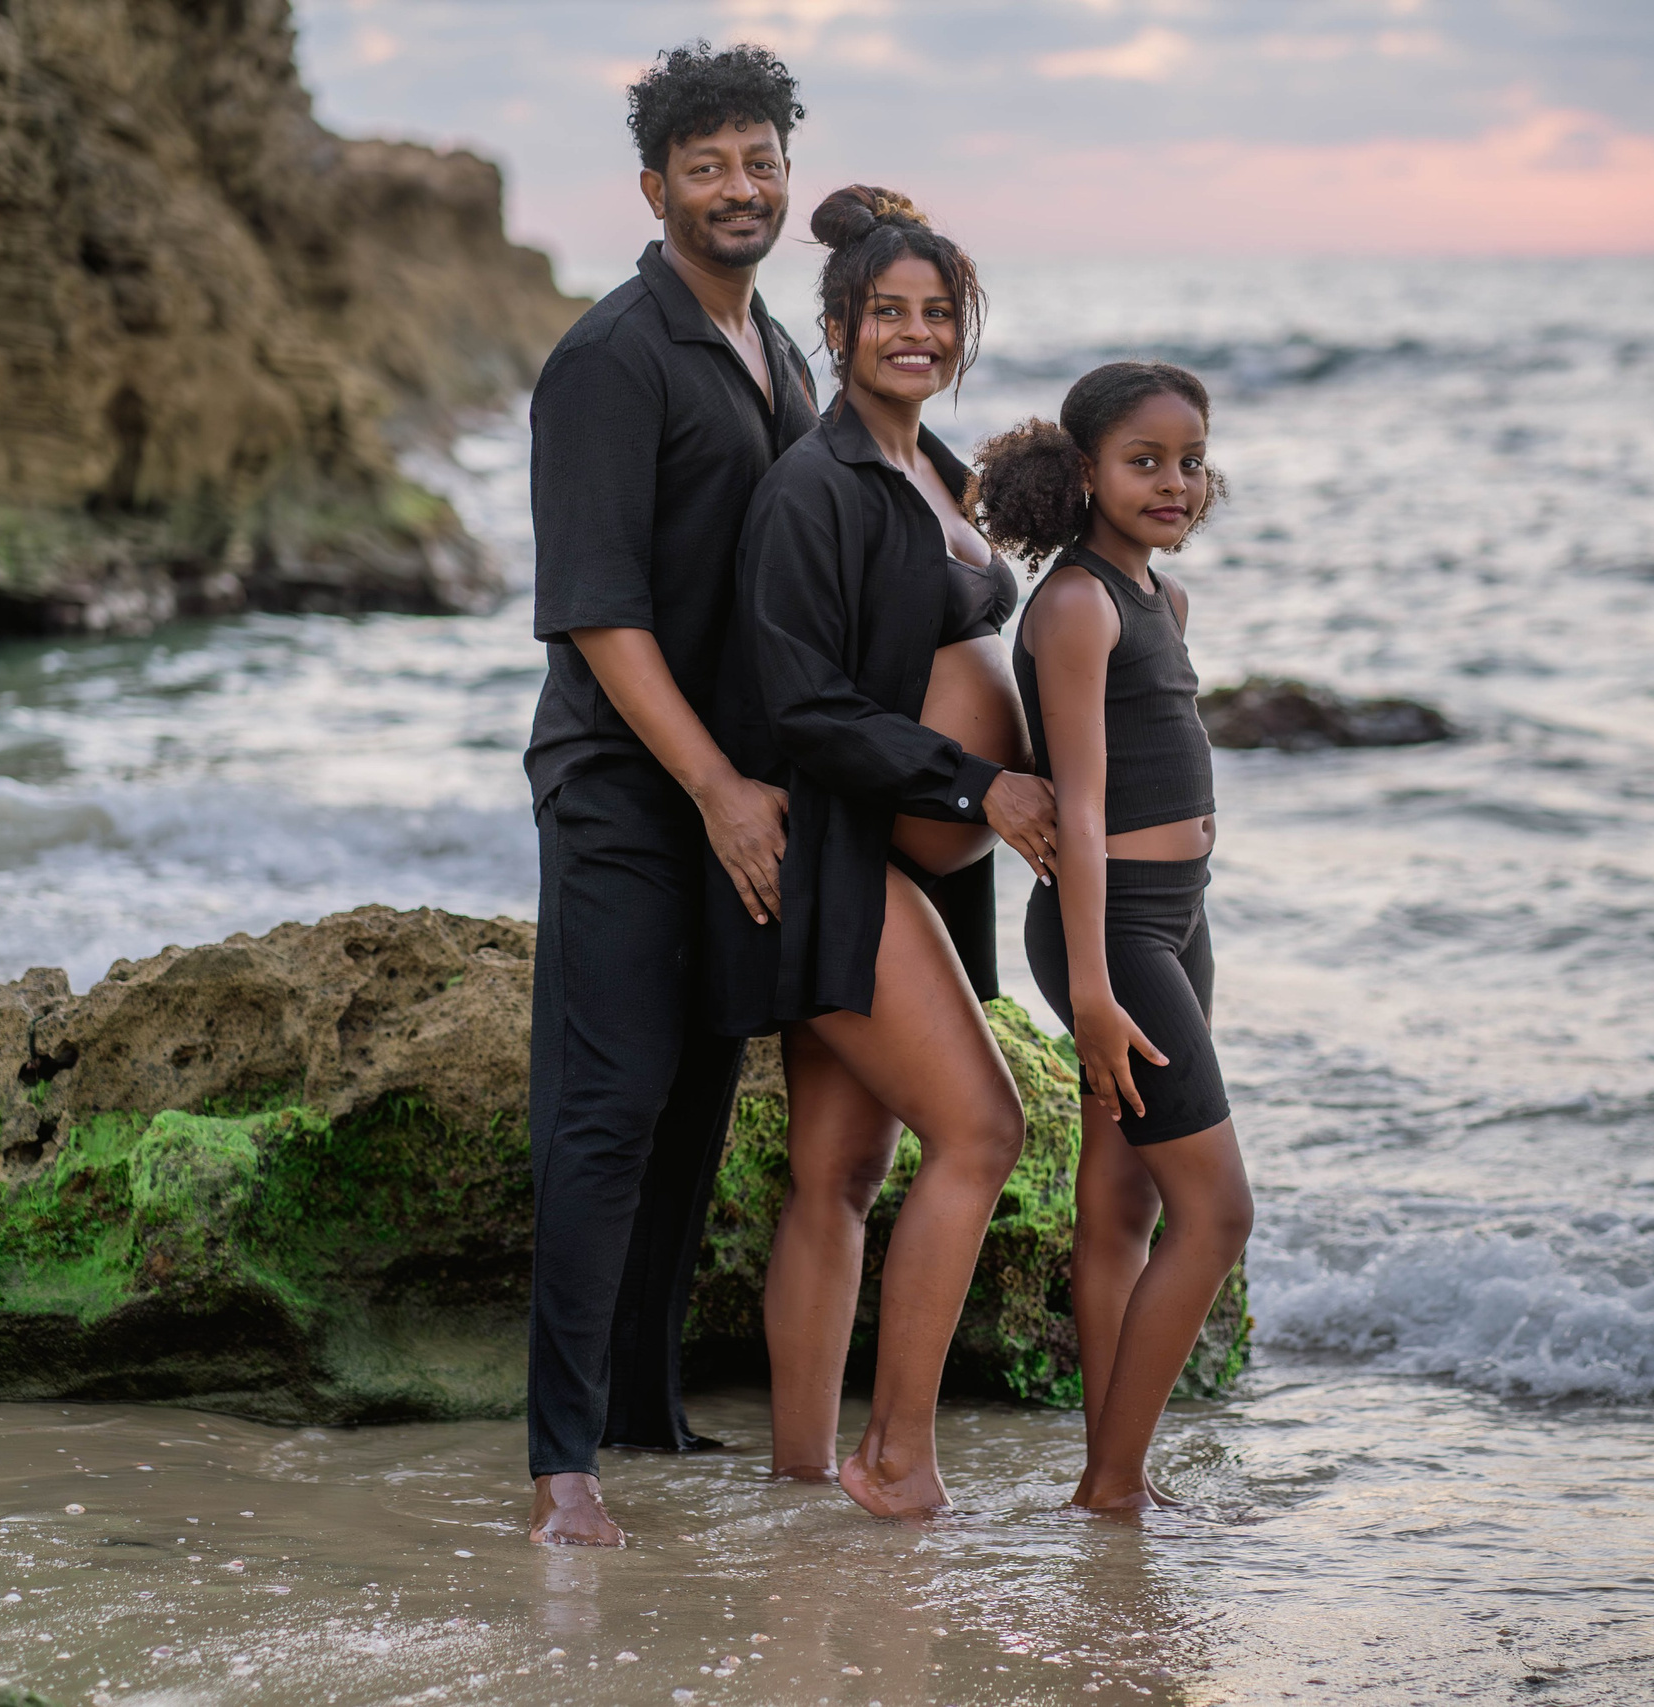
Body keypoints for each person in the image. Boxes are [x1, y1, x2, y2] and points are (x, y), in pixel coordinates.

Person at [710, 186, 1058, 1518]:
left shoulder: (932, 462)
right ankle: (897, 1454)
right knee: (983, 1127)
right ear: (840, 328)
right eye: (887, 313)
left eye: (937, 313)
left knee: (838, 1173)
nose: (915, 333)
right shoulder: (817, 484)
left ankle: (803, 1473)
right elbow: (803, 704)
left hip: (916, 870)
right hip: (847, 858)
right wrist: (981, 781)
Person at [519, 41, 820, 1547]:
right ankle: (560, 1460)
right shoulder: (608, 358)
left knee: (700, 1101)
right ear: (655, 188)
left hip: (745, 798)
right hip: (631, 791)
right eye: (707, 164)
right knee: (605, 1110)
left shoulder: (787, 355)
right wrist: (707, 782)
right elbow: (593, 607)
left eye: (760, 159)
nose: (739, 186)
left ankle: (645, 1411)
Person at [975, 363, 1254, 1511]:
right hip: (1114, 939)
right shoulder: (1077, 603)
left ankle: (1111, 1469)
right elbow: (1077, 808)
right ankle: (1113, 1484)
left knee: (1124, 1204)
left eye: (1190, 461)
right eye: (1144, 462)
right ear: (1084, 471)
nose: (1173, 482)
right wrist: (1091, 987)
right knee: (1217, 1209)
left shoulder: (1160, 602)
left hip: (1174, 922)